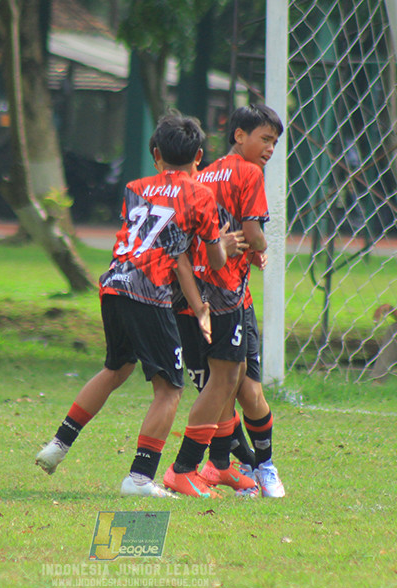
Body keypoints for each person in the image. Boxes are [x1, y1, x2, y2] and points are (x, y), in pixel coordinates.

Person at [34, 112, 241, 498]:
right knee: (170, 390)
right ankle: (140, 477)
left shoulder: (136, 188)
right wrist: (225, 247)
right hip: (148, 293)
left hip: (114, 283)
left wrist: (197, 308)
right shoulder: (201, 195)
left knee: (116, 368)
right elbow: (212, 261)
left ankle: (58, 445)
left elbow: (166, 247)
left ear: (155, 154)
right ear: (200, 156)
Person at [165, 104, 284, 498]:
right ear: (239, 135)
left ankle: (242, 465)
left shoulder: (204, 174)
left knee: (234, 389)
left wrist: (244, 249)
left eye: (274, 142)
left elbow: (201, 232)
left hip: (206, 293)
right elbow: (252, 232)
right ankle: (197, 467)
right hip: (226, 294)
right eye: (265, 139)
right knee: (230, 387)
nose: (270, 149)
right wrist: (260, 245)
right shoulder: (248, 173)